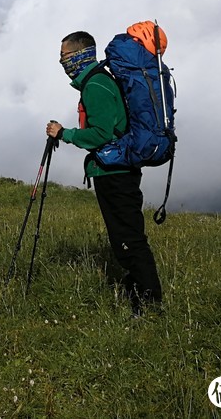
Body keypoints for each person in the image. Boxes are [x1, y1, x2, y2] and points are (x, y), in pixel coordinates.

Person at [46, 31, 163, 317]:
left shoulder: (96, 85)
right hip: (118, 169)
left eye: (64, 56)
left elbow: (100, 134)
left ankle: (149, 306)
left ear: (79, 55)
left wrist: (64, 133)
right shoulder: (99, 81)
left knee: (128, 239)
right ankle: (136, 293)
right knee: (125, 236)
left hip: (116, 173)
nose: (62, 62)